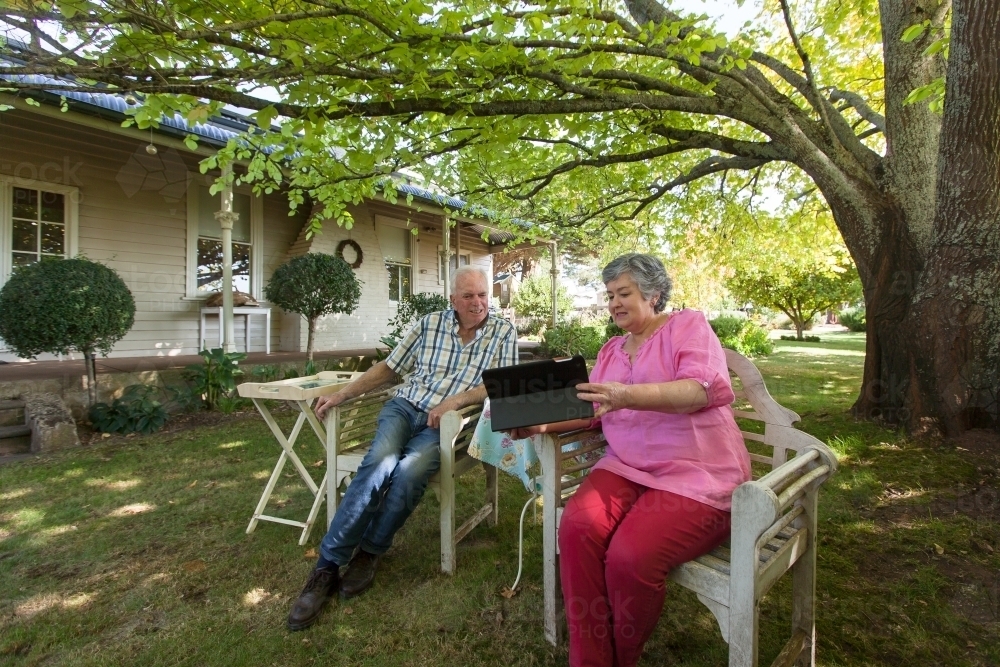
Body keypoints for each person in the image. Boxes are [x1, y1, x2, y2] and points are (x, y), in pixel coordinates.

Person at [510, 253, 750, 667]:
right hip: (626, 466)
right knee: (578, 527)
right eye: (610, 296)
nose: (615, 303)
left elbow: (702, 390)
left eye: (624, 293)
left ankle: (619, 659)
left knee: (631, 557)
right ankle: (589, 660)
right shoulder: (611, 350)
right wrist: (538, 425)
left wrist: (626, 395)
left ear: (653, 294)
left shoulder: (687, 326)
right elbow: (593, 411)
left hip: (695, 473)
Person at [286, 266, 517, 631]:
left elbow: (499, 383)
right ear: (453, 300)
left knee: (410, 472)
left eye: (483, 295)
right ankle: (327, 566)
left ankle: (370, 552)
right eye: (469, 296)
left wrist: (453, 402)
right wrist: (343, 394)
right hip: (404, 407)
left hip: (444, 424)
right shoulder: (429, 325)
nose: (478, 303)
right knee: (379, 464)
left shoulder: (503, 331)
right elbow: (391, 368)